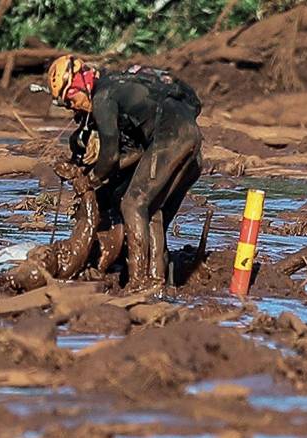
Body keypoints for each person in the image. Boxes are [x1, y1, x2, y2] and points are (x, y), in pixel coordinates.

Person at [46, 55, 203, 287]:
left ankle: (138, 281)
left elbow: (110, 157)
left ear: (79, 85)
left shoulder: (103, 97)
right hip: (191, 139)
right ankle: (158, 282)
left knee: (132, 204)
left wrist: (89, 180)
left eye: (70, 100)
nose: (73, 107)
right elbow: (135, 152)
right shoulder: (118, 83)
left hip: (171, 137)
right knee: (152, 210)